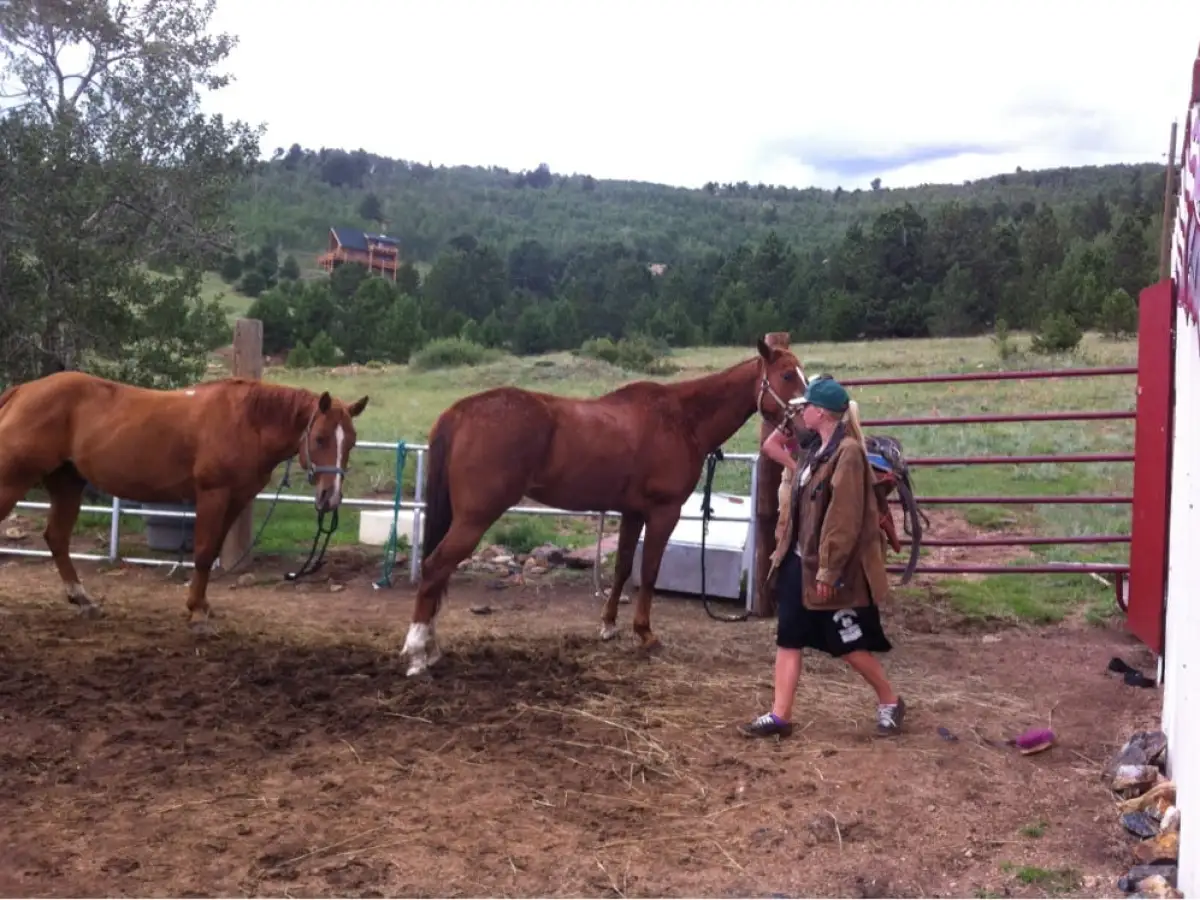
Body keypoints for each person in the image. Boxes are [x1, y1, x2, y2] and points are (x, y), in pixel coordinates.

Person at [739, 376, 905, 739]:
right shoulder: (817, 449)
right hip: (800, 563)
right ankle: (780, 715)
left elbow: (842, 519)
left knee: (846, 644)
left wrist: (828, 572)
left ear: (821, 412)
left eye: (806, 406)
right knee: (789, 636)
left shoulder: (847, 454)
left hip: (830, 569)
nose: (802, 412)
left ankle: (890, 700)